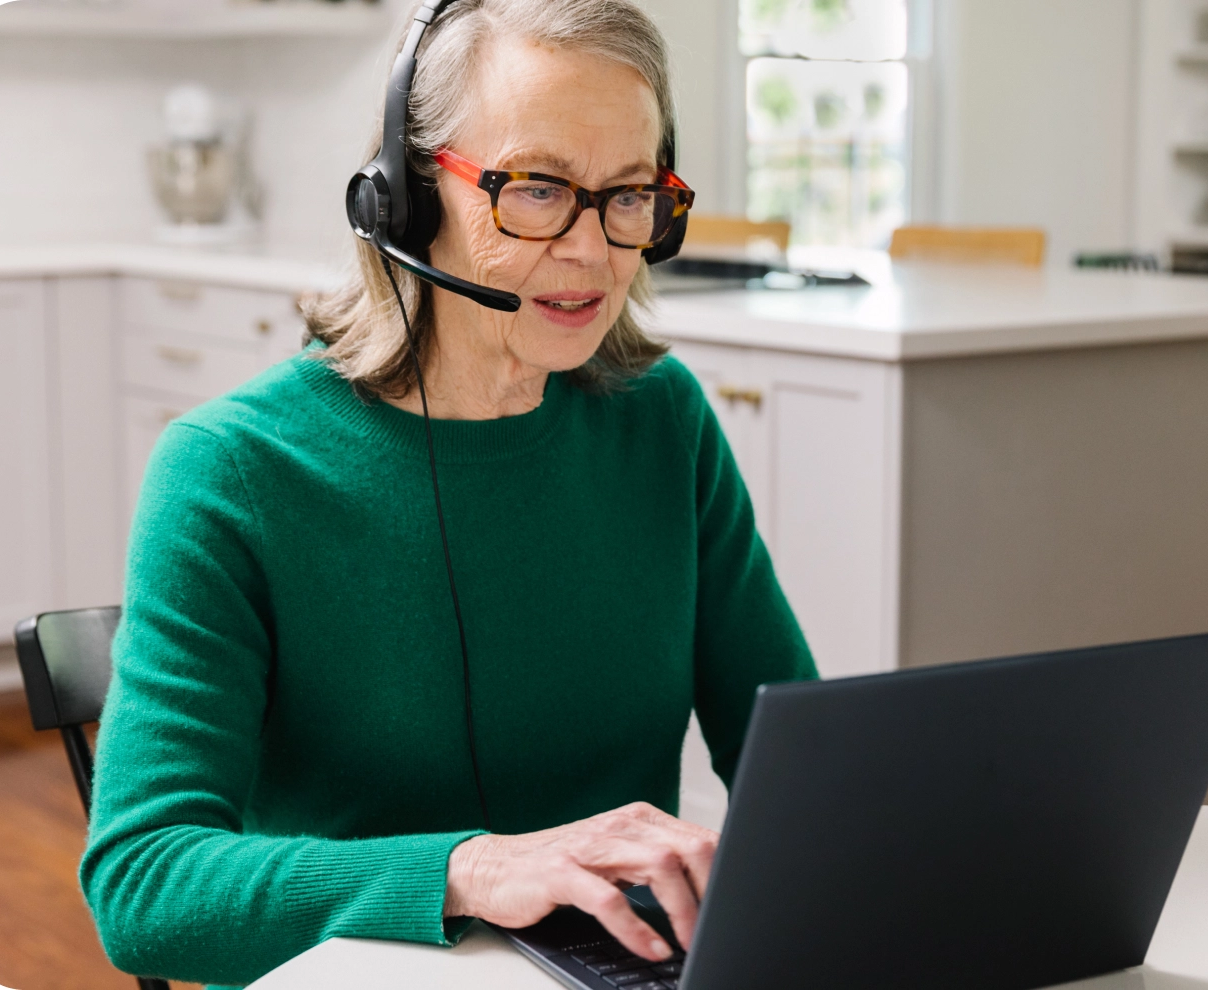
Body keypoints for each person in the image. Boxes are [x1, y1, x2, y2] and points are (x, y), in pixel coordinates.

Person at [79, 0, 816, 985]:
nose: (594, 252)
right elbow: (144, 886)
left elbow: (802, 769)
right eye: (540, 190)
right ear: (405, 195)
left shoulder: (662, 421)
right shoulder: (230, 470)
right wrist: (468, 869)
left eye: (630, 194)